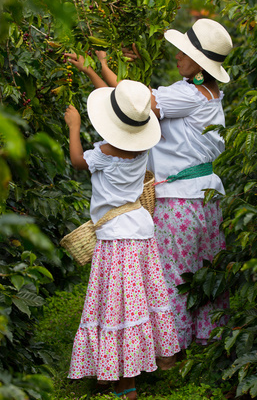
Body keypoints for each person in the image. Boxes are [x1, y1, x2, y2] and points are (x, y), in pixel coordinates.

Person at [67, 18, 232, 351]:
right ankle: (210, 340)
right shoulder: (211, 93)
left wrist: (98, 70)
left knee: (172, 274)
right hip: (210, 195)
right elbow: (134, 98)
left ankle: (171, 346)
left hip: (178, 201)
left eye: (185, 53)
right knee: (207, 269)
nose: (178, 57)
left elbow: (134, 104)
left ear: (200, 63)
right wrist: (104, 69)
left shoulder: (187, 94)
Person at [64, 79, 180, 399]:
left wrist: (73, 127)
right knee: (135, 301)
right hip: (140, 231)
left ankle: (124, 382)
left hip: (116, 240)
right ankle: (116, 364)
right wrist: (94, 70)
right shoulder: (142, 147)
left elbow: (77, 161)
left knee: (116, 307)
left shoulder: (102, 153)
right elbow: (126, 107)